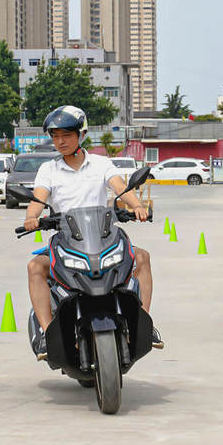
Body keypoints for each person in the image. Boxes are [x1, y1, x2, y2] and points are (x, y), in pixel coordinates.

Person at [24, 105, 161, 359]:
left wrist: (138, 206)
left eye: (66, 134)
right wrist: (32, 217)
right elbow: (38, 198)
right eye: (55, 136)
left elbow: (119, 186)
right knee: (35, 267)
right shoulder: (48, 170)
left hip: (101, 236)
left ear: (81, 134)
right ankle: (46, 334)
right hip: (67, 240)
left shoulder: (100, 164)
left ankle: (145, 323)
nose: (60, 141)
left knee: (141, 257)